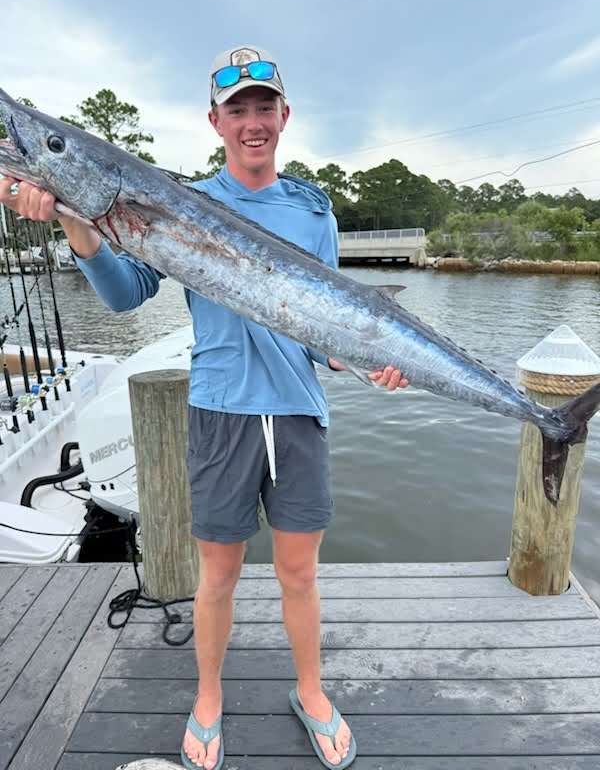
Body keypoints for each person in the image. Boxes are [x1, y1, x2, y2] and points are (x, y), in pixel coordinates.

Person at [0, 45, 408, 770]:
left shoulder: (313, 209)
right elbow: (125, 297)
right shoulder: (174, 202)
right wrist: (73, 222)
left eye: (263, 107)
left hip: (298, 414)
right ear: (215, 121)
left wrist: (363, 361)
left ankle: (311, 692)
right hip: (221, 413)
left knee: (299, 574)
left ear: (284, 116)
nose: (252, 122)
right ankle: (209, 698)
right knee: (216, 575)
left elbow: (325, 327)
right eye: (237, 109)